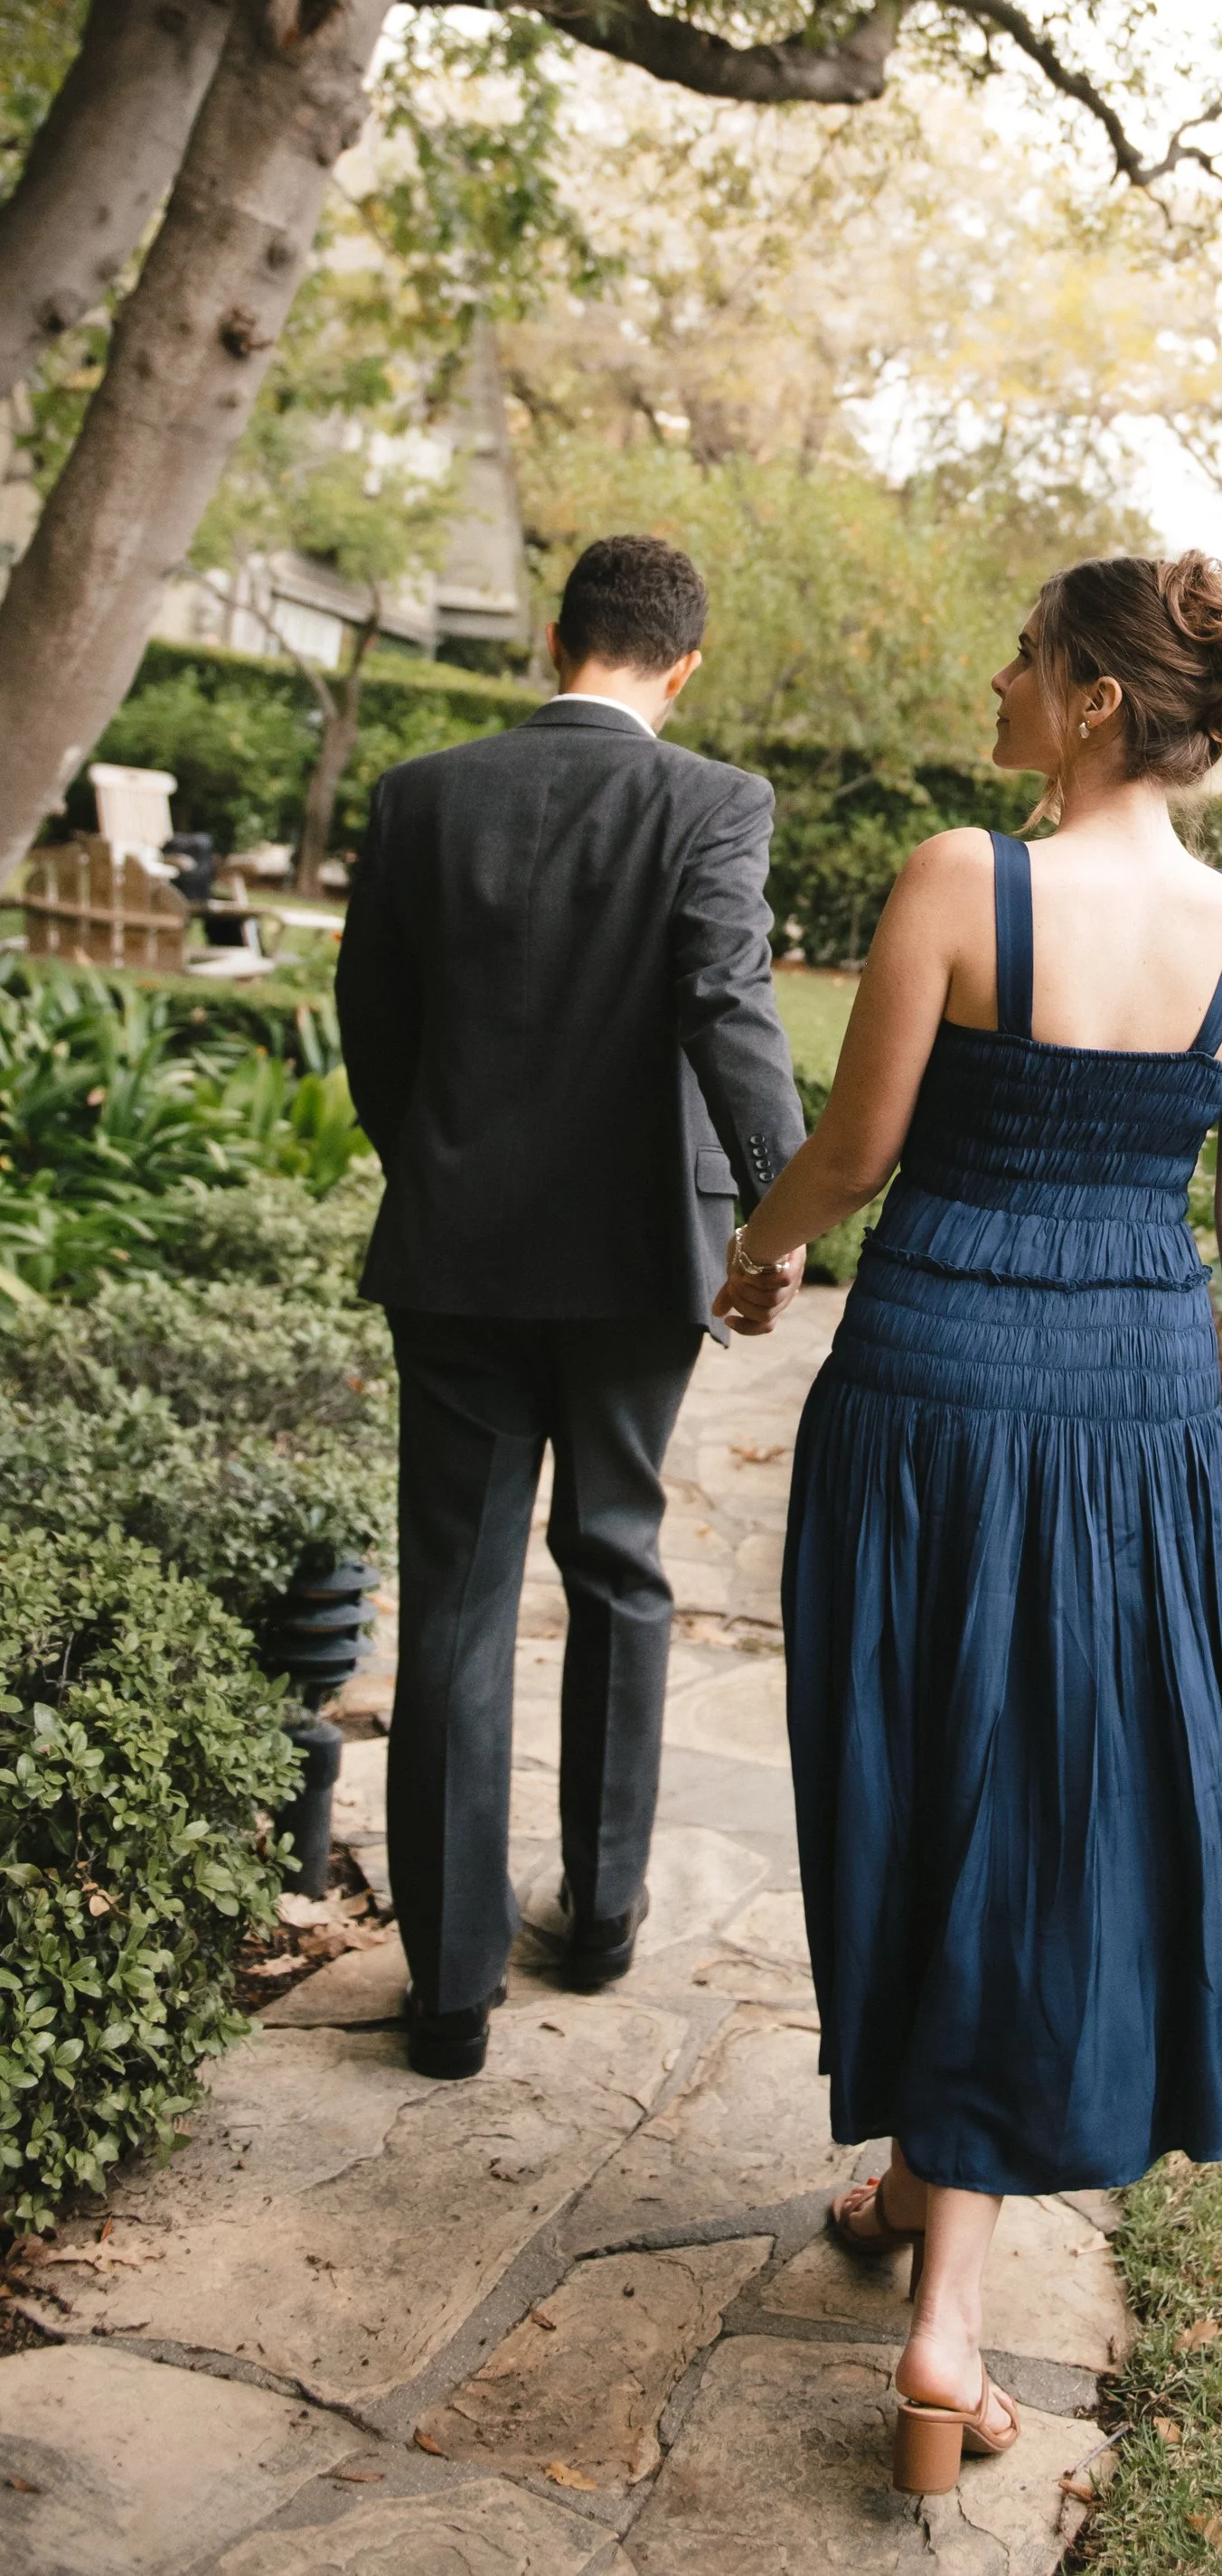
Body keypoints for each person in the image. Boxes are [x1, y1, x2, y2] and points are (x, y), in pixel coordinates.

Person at [715, 549, 1222, 2495]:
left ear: (1086, 700)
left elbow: (855, 1147)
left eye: (1024, 658)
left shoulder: (953, 881)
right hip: (1136, 1411)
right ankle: (926, 2182)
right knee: (1039, 1797)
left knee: (914, 1771)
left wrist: (755, 1258)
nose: (994, 678)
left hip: (925, 1385)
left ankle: (944, 2321)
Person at [337, 533, 804, 2080]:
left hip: (457, 1264)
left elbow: (374, 1030)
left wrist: (442, 1169)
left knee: (456, 1606)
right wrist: (779, 1207)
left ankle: (450, 1994)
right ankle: (601, 1914)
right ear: (685, 664)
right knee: (616, 1557)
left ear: (557, 639)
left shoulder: (421, 796)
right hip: (632, 1267)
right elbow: (725, 1003)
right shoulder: (714, 801)